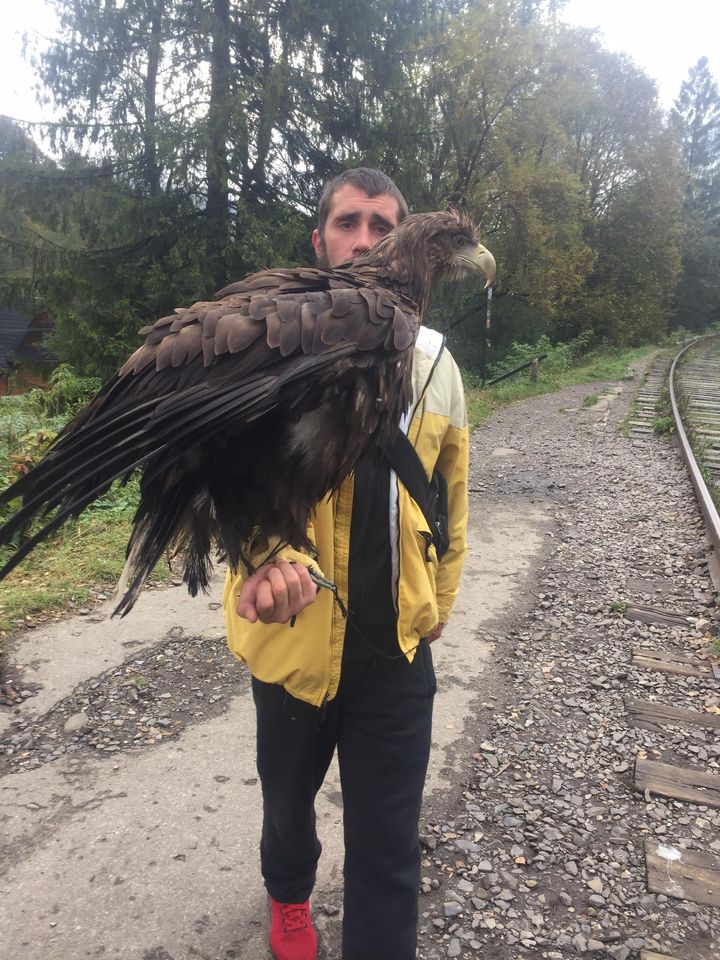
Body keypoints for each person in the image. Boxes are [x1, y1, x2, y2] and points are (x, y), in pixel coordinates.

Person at [222, 168, 469, 960]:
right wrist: (262, 553)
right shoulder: (269, 339)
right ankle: (288, 901)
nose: (367, 239)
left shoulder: (435, 364)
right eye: (350, 222)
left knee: (390, 849)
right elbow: (220, 475)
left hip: (395, 652)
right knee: (287, 811)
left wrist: (439, 608)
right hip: (293, 642)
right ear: (320, 239)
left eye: (384, 226)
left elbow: (451, 502)